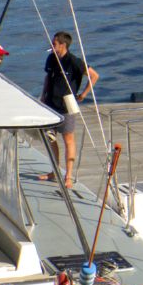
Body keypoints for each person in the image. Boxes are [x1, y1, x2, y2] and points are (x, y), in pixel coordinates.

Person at [40, 31, 98, 189]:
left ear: (63, 45)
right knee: (50, 138)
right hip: (51, 103)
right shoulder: (51, 58)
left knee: (68, 140)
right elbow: (48, 78)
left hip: (67, 105)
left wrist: (83, 95)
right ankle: (54, 171)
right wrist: (43, 96)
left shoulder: (74, 61)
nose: (52, 46)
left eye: (54, 44)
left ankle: (69, 176)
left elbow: (94, 76)